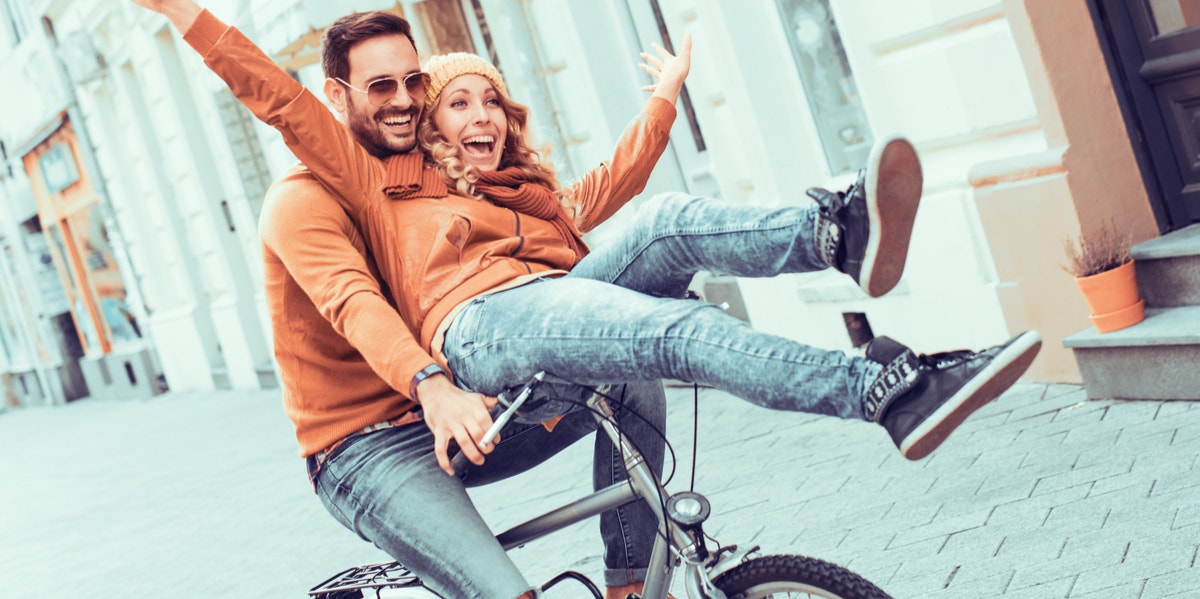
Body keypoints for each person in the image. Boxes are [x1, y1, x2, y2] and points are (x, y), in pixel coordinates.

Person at [130, 2, 1043, 598]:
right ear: (346, 99)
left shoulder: (475, 184)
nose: (414, 102)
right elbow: (337, 260)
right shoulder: (346, 180)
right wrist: (187, 16)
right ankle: (882, 390)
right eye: (392, 89)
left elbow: (600, 196)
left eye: (425, 86)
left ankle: (835, 234)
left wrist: (662, 104)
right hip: (447, 366)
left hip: (519, 338)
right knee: (665, 332)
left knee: (668, 225)